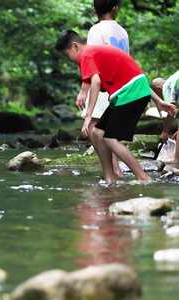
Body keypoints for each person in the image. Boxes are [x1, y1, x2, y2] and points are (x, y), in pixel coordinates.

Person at [55, 30, 176, 184]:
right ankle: (110, 178)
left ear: (75, 46)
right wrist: (158, 100)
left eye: (67, 55)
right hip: (129, 92)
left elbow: (96, 82)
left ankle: (143, 178)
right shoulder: (93, 53)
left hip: (130, 94)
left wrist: (88, 117)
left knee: (110, 138)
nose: (69, 60)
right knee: (98, 133)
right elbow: (134, 73)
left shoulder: (86, 54)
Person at [77, 0, 129, 177]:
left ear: (94, 10)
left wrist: (84, 90)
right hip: (121, 85)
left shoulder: (96, 30)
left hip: (103, 85)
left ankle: (111, 171)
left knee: (93, 127)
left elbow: (92, 63)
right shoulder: (123, 31)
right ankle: (116, 170)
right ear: (115, 7)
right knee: (110, 130)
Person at [151, 71, 179, 164]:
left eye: (156, 95)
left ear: (158, 89)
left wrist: (165, 131)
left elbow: (172, 111)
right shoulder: (174, 81)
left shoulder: (168, 87)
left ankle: (176, 162)